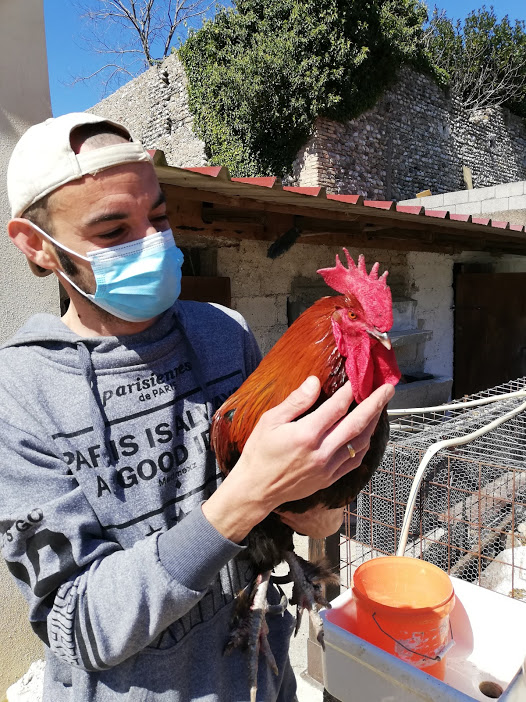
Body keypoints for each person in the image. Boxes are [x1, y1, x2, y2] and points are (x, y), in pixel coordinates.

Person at [0, 113, 394, 702]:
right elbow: (80, 626)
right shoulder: (18, 395)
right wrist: (252, 494)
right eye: (112, 231)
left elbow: (287, 506)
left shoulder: (223, 333)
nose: (152, 243)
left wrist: (319, 509)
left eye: (158, 218)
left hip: (263, 679)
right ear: (38, 246)